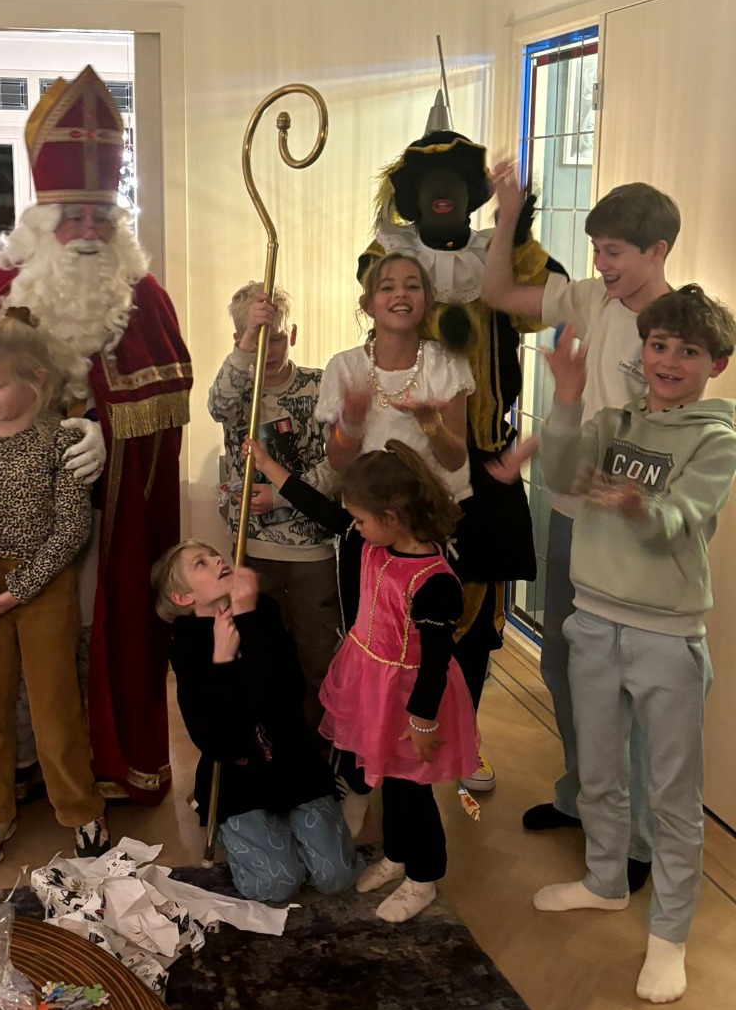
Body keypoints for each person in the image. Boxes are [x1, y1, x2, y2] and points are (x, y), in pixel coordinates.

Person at [0, 66, 192, 806]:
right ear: (41, 223)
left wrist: (112, 435)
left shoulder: (145, 299)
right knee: (4, 636)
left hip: (97, 519)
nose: (86, 233)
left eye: (99, 217)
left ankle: (92, 761)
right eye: (71, 216)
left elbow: (165, 402)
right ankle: (16, 764)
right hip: (3, 520)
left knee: (83, 634)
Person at [532, 285, 736, 1005]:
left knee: (673, 798)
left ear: (716, 364)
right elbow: (559, 476)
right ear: (643, 349)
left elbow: (682, 517)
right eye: (659, 345)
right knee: (599, 774)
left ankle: (670, 936)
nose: (669, 360)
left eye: (689, 350)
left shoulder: (717, 438)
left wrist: (635, 506)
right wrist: (565, 400)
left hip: (667, 638)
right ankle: (604, 881)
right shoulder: (612, 421)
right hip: (592, 621)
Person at [482, 177, 680, 887]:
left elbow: (665, 438)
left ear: (657, 250)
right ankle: (582, 798)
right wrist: (508, 216)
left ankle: (635, 841)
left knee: (623, 685)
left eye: (615, 250)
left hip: (626, 530)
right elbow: (498, 293)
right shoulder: (593, 299)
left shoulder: (678, 328)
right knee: (564, 665)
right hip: (570, 513)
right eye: (597, 248)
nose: (601, 262)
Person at [357, 128, 567, 792]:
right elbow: (378, 294)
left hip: (486, 461)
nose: (441, 195)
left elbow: (549, 298)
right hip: (407, 461)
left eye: (454, 184)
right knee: (396, 607)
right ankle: (394, 731)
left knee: (474, 618)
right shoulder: (390, 257)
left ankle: (465, 737)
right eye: (429, 185)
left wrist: (514, 229)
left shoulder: (495, 262)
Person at [0, 309, 108, 869]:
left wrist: (21, 588)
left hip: (44, 589)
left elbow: (72, 530)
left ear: (37, 379)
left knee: (54, 707)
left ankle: (80, 810)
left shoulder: (61, 441)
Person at [320, 442, 478, 924]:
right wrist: (268, 468)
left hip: (413, 700)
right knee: (389, 780)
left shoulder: (434, 583)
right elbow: (327, 515)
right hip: (374, 686)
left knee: (413, 791)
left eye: (361, 520)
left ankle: (424, 876)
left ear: (391, 517)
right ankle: (397, 854)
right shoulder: (375, 544)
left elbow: (436, 662)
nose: (355, 528)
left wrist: (423, 721)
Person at [153, 541, 359, 904]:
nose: (218, 559)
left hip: (293, 761)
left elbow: (288, 698)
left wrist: (248, 619)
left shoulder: (263, 611)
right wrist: (222, 660)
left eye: (214, 554)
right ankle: (246, 823)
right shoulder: (187, 643)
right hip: (240, 773)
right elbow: (219, 741)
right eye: (201, 563)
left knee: (337, 876)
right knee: (275, 884)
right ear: (183, 597)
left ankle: (287, 827)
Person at [208, 282, 341, 729]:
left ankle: (322, 746)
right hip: (253, 547)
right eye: (257, 339)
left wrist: (283, 494)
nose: (269, 350)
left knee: (318, 654)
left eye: (277, 337)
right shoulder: (238, 392)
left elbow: (336, 464)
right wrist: (248, 339)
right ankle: (272, 743)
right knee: (262, 655)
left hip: (310, 551)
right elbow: (217, 405)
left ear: (293, 334)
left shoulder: (320, 386)